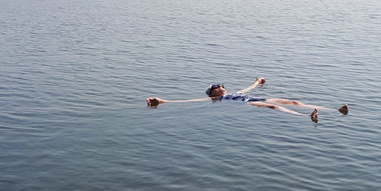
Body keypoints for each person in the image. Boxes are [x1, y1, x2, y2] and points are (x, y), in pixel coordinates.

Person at [146, 77, 348, 122]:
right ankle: (306, 118)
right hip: (247, 103)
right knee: (272, 106)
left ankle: (335, 110)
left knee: (293, 100)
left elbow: (250, 87)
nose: (221, 86)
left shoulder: (233, 91)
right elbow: (189, 102)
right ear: (214, 93)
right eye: (217, 86)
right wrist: (162, 101)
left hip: (253, 95)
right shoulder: (218, 100)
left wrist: (258, 82)